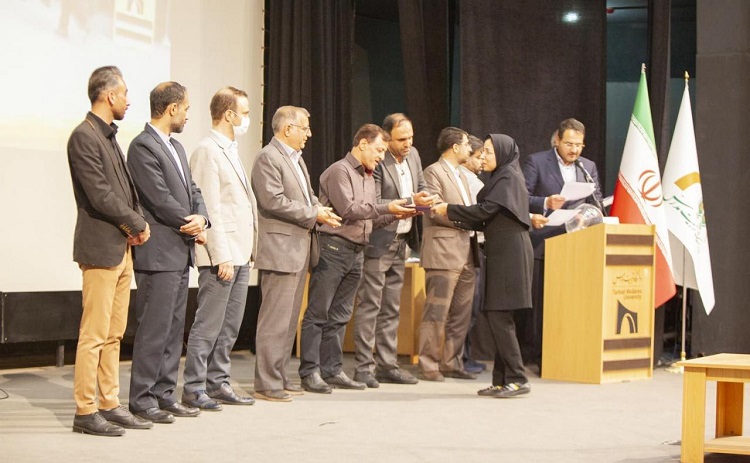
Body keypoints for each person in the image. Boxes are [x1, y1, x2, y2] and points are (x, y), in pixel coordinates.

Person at [298, 124, 415, 393]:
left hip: (357, 251)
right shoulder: (339, 171)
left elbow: (370, 217)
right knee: (318, 312)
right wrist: (387, 206)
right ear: (363, 144)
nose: (381, 157)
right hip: (333, 249)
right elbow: (349, 209)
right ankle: (310, 371)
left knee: (340, 315)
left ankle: (332, 370)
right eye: (379, 150)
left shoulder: (369, 176)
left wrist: (399, 213)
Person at [67, 66, 152, 436]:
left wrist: (135, 223)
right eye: (126, 93)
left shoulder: (109, 136)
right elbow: (99, 194)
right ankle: (85, 411)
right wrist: (136, 223)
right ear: (109, 95)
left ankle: (109, 403)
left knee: (115, 332)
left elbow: (126, 192)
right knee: (94, 333)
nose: (129, 100)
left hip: (120, 247)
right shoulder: (83, 136)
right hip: (100, 248)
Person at [127, 82, 209, 423]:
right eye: (186, 108)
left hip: (179, 251)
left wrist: (202, 218)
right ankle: (142, 398)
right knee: (154, 329)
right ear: (172, 108)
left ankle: (164, 393)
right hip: (158, 253)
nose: (188, 115)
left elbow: (193, 190)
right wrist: (190, 223)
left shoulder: (176, 146)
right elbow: (158, 198)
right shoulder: (142, 146)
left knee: (174, 330)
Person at [432, 134, 536, 398]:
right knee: (498, 315)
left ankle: (518, 378)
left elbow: (484, 211)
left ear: (502, 152)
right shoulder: (502, 178)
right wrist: (452, 214)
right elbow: (483, 219)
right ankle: (502, 380)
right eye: (483, 152)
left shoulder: (509, 177)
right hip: (502, 252)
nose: (483, 156)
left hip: (510, 254)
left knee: (500, 316)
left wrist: (448, 209)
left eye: (489, 151)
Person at [251, 106, 341, 402]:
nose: (309, 134)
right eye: (305, 128)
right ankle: (266, 383)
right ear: (288, 129)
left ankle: (279, 376)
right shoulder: (268, 157)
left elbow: (307, 195)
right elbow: (273, 201)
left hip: (299, 249)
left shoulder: (296, 159)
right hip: (280, 250)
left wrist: (319, 208)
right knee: (274, 321)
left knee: (289, 321)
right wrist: (314, 214)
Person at [181, 87, 257, 411]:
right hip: (221, 256)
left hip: (240, 252)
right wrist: (220, 255)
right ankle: (194, 387)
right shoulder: (207, 150)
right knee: (209, 324)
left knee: (230, 326)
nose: (247, 118)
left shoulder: (231, 149)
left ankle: (218, 382)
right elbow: (209, 206)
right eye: (245, 112)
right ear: (229, 114)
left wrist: (248, 250)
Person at [352, 113, 435, 388]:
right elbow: (375, 202)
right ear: (387, 139)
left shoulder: (414, 156)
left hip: (402, 242)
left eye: (411, 138)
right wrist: (411, 200)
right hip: (378, 242)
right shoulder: (378, 161)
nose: (408, 144)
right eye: (401, 139)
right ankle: (364, 367)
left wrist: (426, 198)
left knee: (391, 308)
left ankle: (387, 365)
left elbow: (421, 186)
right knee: (370, 307)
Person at [521, 118, 603, 371]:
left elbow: (596, 199)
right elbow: (521, 196)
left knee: (573, 302)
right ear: (557, 140)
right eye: (569, 144)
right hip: (544, 241)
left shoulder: (588, 166)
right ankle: (539, 355)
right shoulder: (536, 161)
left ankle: (570, 352)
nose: (574, 150)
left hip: (578, 245)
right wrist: (546, 202)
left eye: (579, 145)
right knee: (544, 304)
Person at [418, 127, 479, 382]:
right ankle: (428, 364)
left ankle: (451, 362)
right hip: (443, 251)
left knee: (461, 313)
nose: (469, 149)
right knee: (437, 312)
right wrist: (467, 220)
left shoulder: (463, 175)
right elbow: (433, 209)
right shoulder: (433, 172)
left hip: (467, 251)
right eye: (466, 144)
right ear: (455, 147)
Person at [459, 135, 488, 375]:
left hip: (477, 246)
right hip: (469, 246)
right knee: (467, 306)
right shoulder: (467, 180)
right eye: (478, 156)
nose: (482, 162)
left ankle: (465, 355)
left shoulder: (475, 180)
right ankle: (462, 357)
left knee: (473, 306)